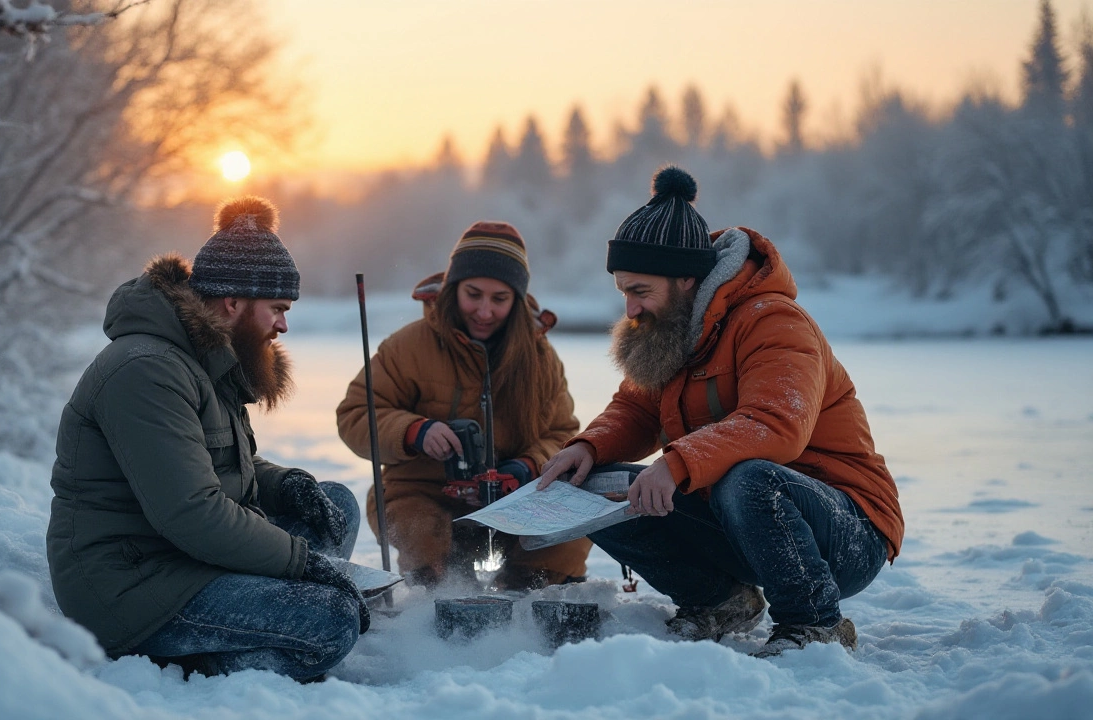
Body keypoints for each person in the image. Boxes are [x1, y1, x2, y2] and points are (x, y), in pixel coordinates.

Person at [537, 167, 903, 657]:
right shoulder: (671, 329)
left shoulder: (773, 321)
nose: (630, 309)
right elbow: (636, 409)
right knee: (601, 488)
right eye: (623, 291)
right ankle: (718, 600)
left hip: (847, 531)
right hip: (740, 524)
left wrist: (677, 461)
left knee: (749, 477)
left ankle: (816, 623)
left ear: (686, 279)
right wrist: (586, 447)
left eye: (640, 291)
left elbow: (776, 424)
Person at [47, 196, 369, 682]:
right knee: (331, 621)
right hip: (134, 584)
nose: (284, 325)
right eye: (277, 309)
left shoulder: (205, 358)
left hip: (183, 555)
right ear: (233, 302)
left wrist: (286, 485)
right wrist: (302, 564)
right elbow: (192, 512)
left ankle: (261, 615)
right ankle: (186, 667)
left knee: (333, 504)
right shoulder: (147, 372)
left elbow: (225, 464)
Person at [337, 221, 590, 591]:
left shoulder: (540, 357)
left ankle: (534, 597)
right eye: (473, 294)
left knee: (566, 528)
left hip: (516, 501)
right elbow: (355, 414)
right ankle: (435, 590)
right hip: (422, 496)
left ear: (516, 300)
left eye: (499, 299)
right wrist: (414, 432)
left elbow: (563, 433)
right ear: (454, 288)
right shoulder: (407, 347)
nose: (484, 311)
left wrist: (527, 466)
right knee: (424, 539)